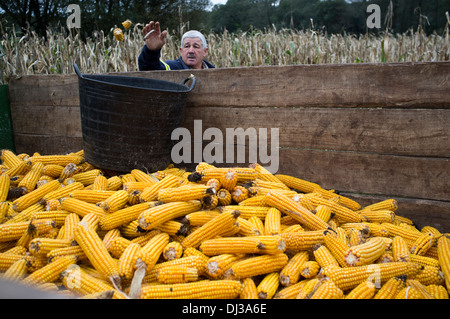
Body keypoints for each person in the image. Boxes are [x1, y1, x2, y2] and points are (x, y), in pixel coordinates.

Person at [138, 21, 215, 71]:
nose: (191, 51)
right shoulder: (170, 68)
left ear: (205, 51)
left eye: (196, 46)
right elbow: (149, 69)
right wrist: (151, 51)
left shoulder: (214, 72)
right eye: (187, 46)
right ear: (181, 51)